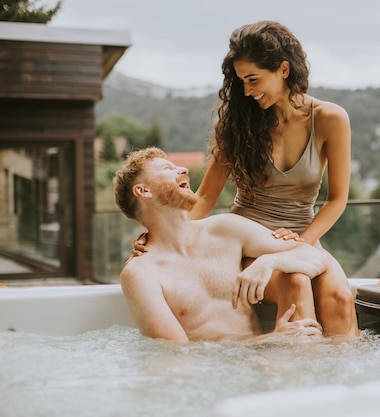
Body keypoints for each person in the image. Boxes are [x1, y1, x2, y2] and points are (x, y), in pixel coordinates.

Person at [133, 21, 357, 336]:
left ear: (283, 69)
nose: (248, 91)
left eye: (253, 80)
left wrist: (300, 243)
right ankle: (300, 378)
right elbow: (207, 197)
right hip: (244, 238)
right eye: (242, 83)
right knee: (296, 283)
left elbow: (337, 200)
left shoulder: (330, 119)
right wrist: (160, 234)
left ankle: (348, 380)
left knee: (340, 298)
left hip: (300, 235)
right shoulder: (236, 123)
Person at [114, 147, 351, 343]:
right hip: (208, 377)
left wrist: (271, 261)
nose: (183, 169)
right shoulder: (140, 272)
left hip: (260, 363)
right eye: (168, 168)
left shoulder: (225, 229)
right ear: (143, 191)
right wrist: (270, 340)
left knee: (295, 277)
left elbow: (315, 257)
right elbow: (175, 354)